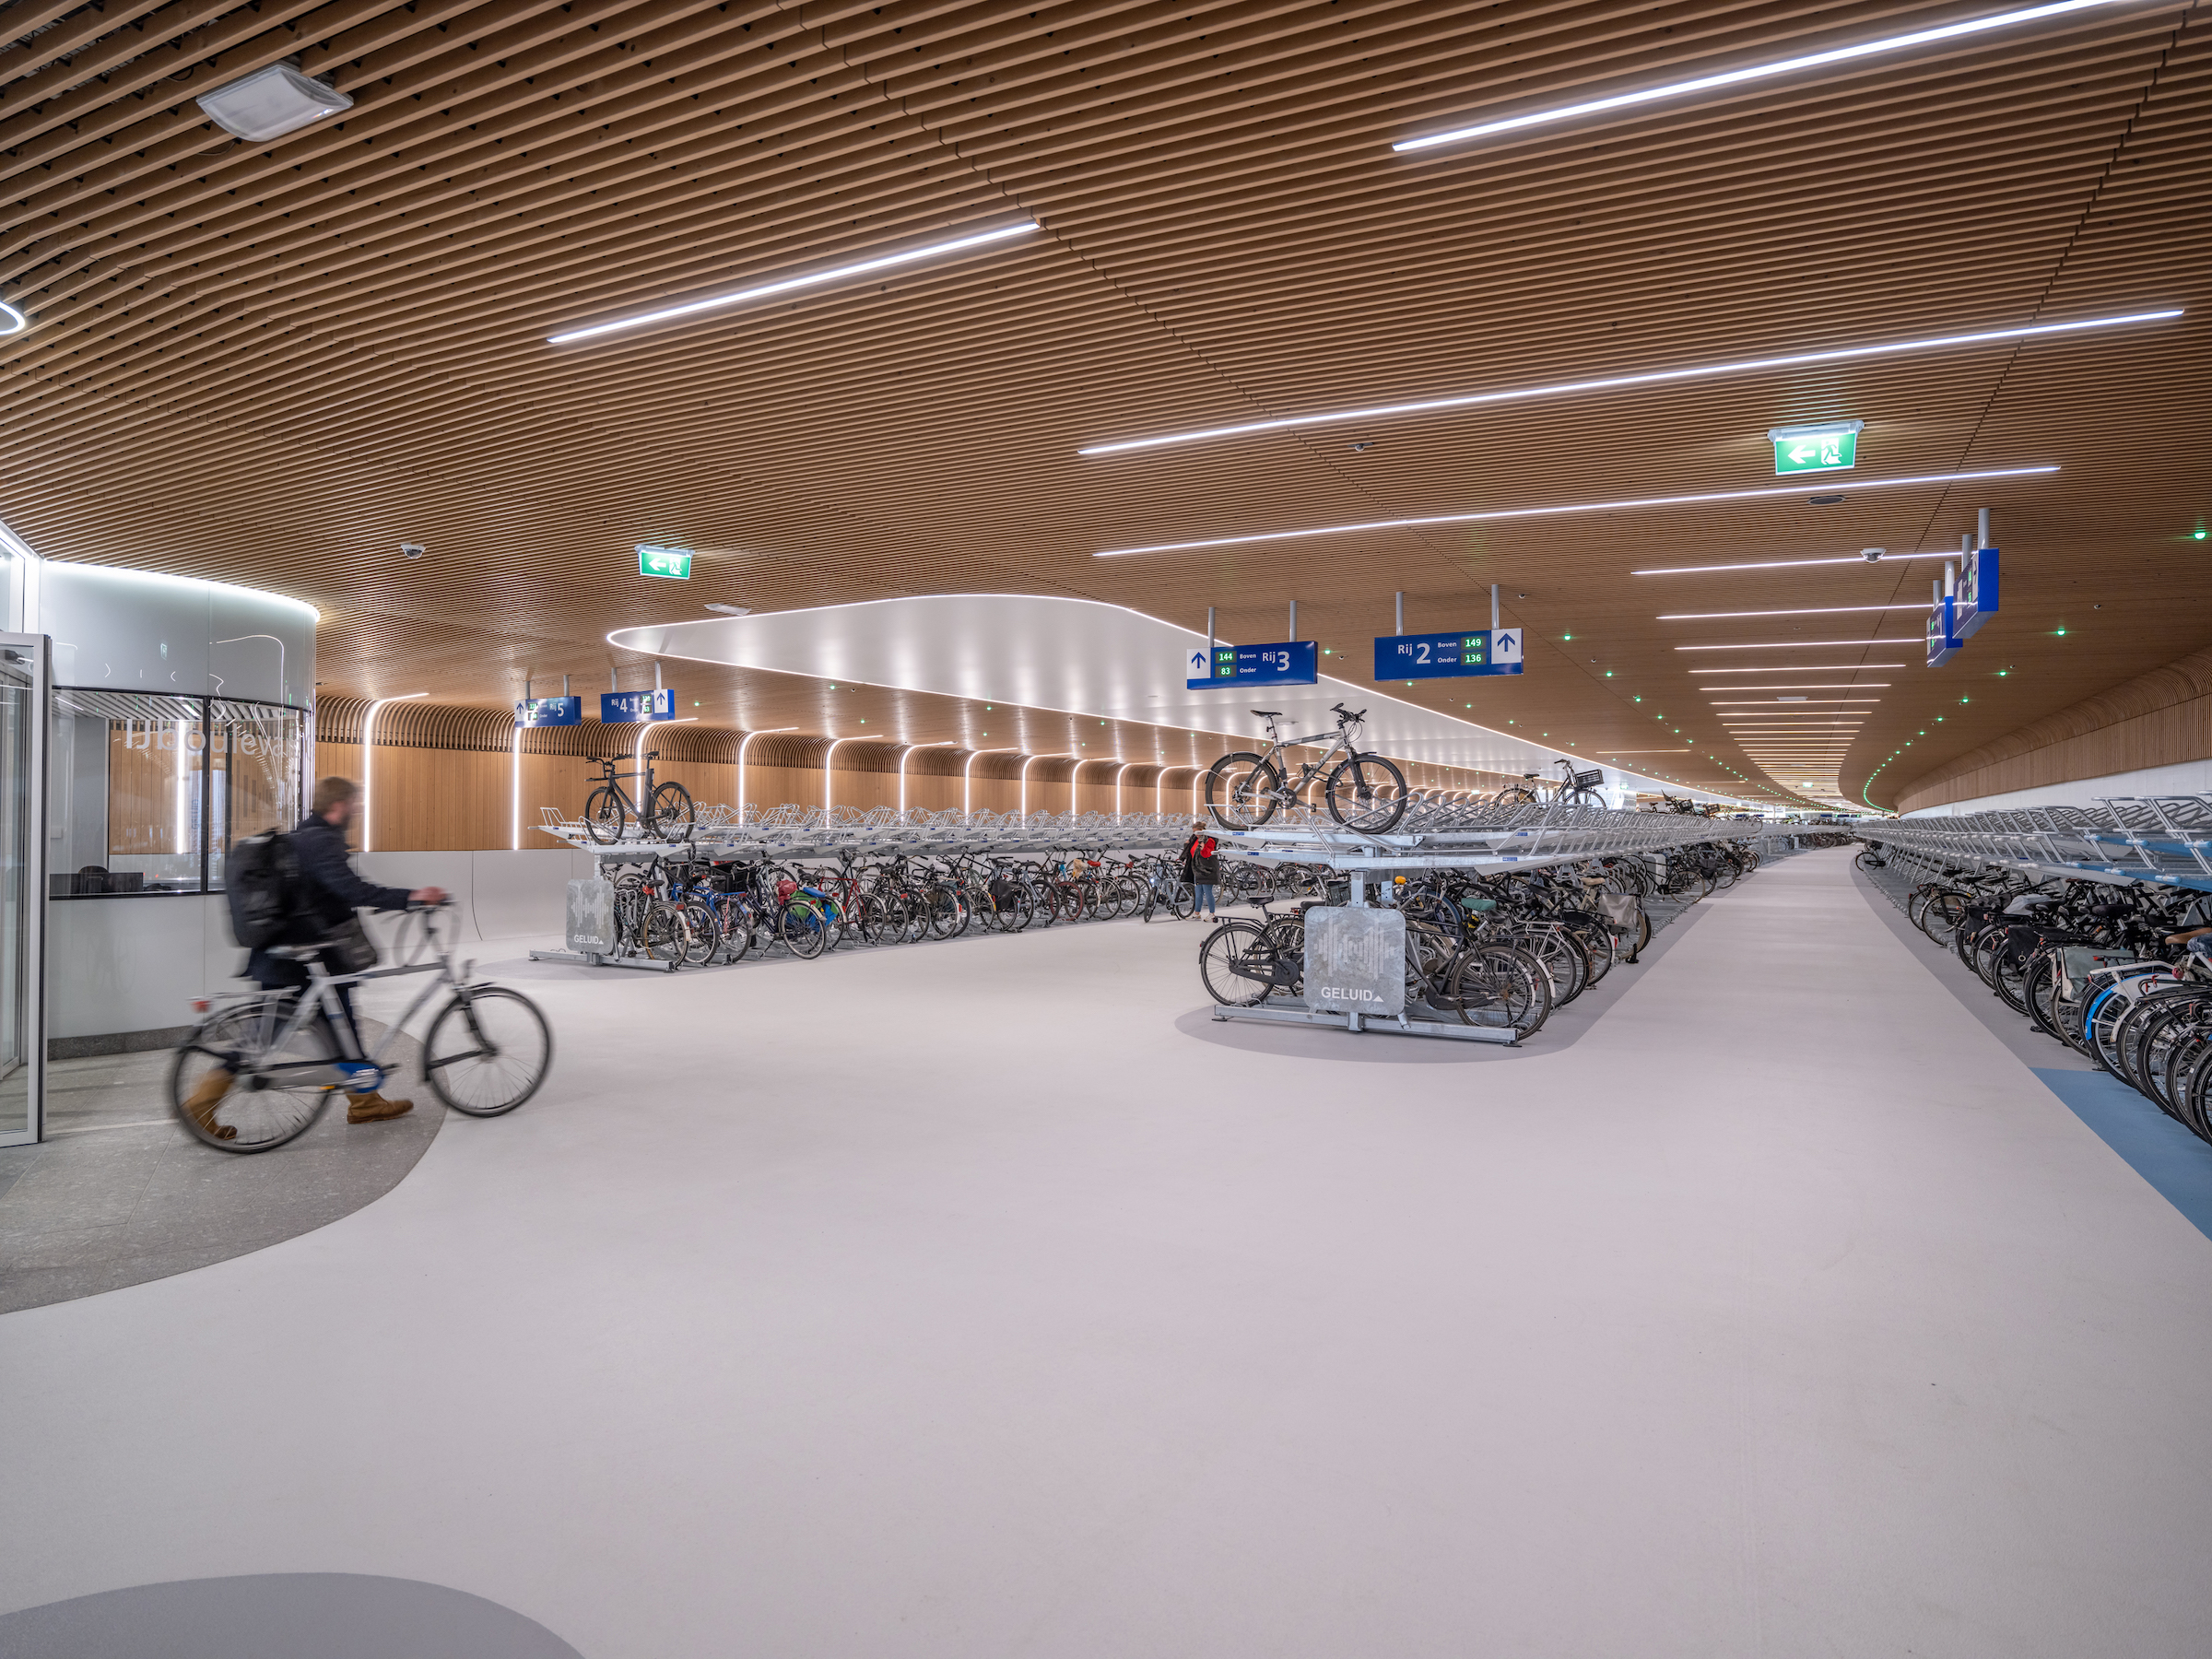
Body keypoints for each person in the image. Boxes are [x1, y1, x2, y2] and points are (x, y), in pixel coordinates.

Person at [182, 777, 447, 1139]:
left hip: (303, 954)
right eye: (355, 804)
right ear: (339, 805)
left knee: (341, 1027)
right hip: (299, 958)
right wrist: (412, 897)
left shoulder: (305, 837)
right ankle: (200, 1104)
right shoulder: (321, 840)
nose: (358, 810)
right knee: (265, 1036)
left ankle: (365, 1103)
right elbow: (350, 889)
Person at [1182, 818, 1219, 919]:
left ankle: (1212, 914)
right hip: (1197, 870)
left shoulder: (1209, 839)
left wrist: (1204, 848)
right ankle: (1197, 913)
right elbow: (1190, 852)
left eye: (1197, 832)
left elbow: (1209, 854)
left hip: (1207, 870)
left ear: (1202, 830)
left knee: (1208, 892)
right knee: (1198, 893)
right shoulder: (1195, 840)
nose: (1195, 834)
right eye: (1194, 832)